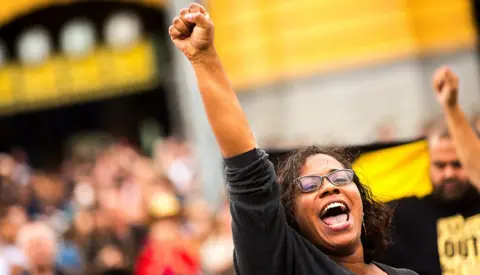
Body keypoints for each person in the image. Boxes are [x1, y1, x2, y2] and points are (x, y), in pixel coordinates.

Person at [169, 4, 417, 275]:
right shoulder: (285, 265)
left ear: (361, 201)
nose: (329, 187)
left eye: (340, 177)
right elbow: (251, 177)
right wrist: (204, 58)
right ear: (292, 221)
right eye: (309, 185)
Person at [380, 68, 480, 274]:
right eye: (440, 165)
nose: (449, 173)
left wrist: (451, 108)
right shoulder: (405, 217)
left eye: (458, 164)